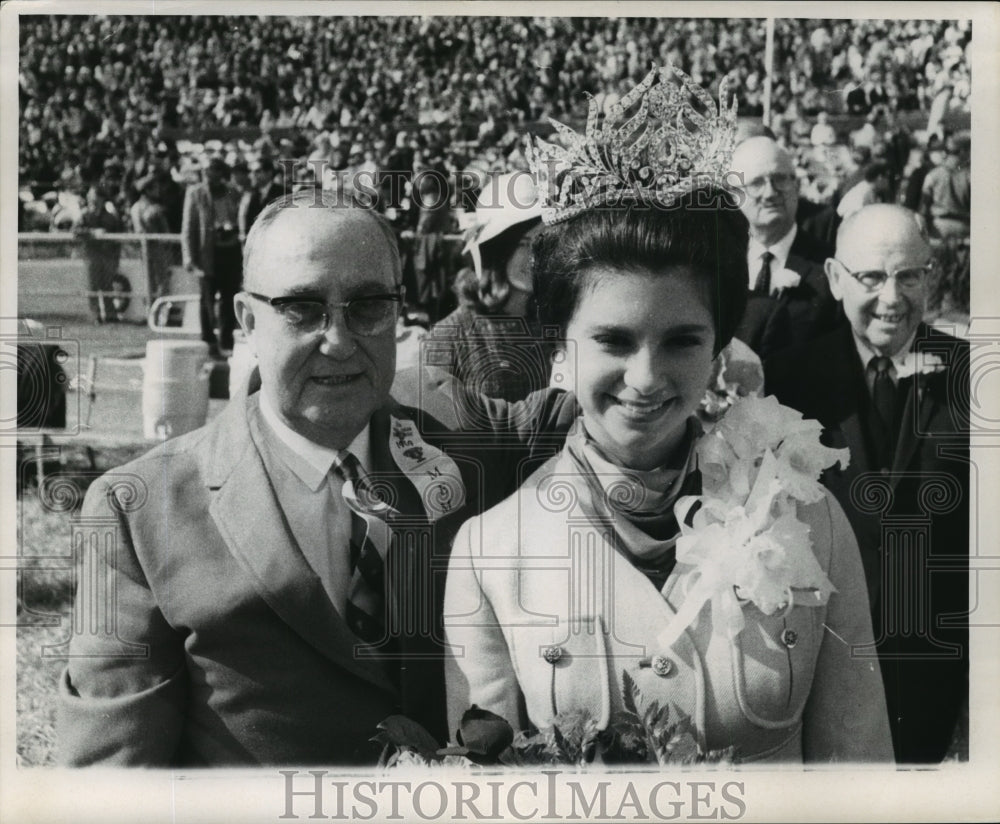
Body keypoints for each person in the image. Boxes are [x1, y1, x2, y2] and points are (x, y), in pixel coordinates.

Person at [445, 66, 893, 764]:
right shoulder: (491, 553)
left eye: (683, 340)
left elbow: (859, 768)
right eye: (614, 341)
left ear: (720, 344)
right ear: (560, 343)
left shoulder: (811, 522)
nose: (647, 379)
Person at [57, 190, 578, 767]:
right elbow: (110, 779)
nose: (338, 340)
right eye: (302, 309)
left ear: (399, 311)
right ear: (247, 320)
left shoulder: (449, 418)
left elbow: (610, 405)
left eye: (368, 305)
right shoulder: (137, 510)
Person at [765, 204, 969, 764]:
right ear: (834, 278)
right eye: (872, 278)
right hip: (824, 654)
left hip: (935, 660)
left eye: (910, 276)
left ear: (930, 275)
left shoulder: (973, 378)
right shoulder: (785, 381)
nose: (892, 297)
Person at [423, 172, 550, 402]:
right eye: (523, 244)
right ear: (495, 250)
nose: (536, 257)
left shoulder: (555, 320)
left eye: (543, 242)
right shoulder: (448, 338)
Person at [729, 136, 839, 359]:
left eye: (780, 179)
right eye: (756, 183)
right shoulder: (720, 262)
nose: (770, 193)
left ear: (797, 187)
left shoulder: (830, 268)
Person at [181, 157, 243, 356]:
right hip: (209, 252)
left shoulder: (232, 191)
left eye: (215, 170)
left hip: (230, 249)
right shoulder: (196, 193)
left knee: (229, 298)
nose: (211, 175)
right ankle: (208, 340)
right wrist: (189, 257)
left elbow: (238, 217)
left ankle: (226, 341)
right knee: (207, 298)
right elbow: (188, 227)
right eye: (208, 171)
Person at [920, 132, 970, 240]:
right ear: (962, 151)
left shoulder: (933, 174)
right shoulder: (969, 176)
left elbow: (924, 206)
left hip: (938, 227)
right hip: (964, 228)